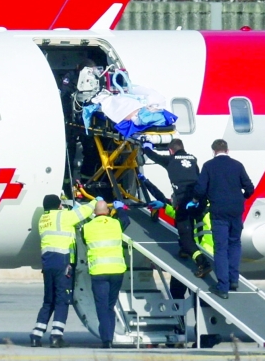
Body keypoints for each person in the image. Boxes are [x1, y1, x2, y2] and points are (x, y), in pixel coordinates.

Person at [141, 139, 212, 297]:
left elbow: (154, 156)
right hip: (196, 201)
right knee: (188, 230)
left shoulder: (170, 160)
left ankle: (202, 262)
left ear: (171, 151)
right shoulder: (193, 159)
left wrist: (146, 147)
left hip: (184, 203)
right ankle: (184, 251)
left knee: (186, 239)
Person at [189, 139, 254, 299]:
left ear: (213, 151)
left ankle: (223, 287)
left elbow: (200, 189)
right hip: (236, 210)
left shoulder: (209, 166)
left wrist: (196, 201)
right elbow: (250, 188)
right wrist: (242, 198)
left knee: (221, 248)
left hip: (218, 211)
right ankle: (234, 280)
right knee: (235, 243)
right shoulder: (237, 165)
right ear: (227, 150)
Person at [30, 194, 95, 348]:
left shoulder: (43, 220)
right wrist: (95, 201)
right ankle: (56, 336)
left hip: (48, 263)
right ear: (58, 205)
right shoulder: (64, 216)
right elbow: (83, 213)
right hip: (62, 261)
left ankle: (36, 335)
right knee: (62, 299)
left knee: (48, 300)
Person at [82, 199, 130, 348]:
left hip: (99, 272)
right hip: (117, 271)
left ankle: (107, 339)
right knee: (110, 305)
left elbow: (84, 240)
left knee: (102, 307)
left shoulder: (87, 227)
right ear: (108, 212)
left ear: (95, 213)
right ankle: (109, 335)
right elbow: (126, 221)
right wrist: (120, 209)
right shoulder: (116, 224)